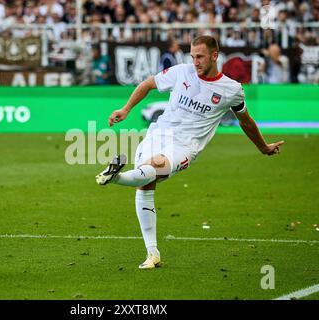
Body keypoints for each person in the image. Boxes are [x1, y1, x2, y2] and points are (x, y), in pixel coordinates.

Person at [95, 35, 284, 269]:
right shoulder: (181, 71)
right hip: (158, 134)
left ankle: (115, 177)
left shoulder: (231, 90)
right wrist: (126, 109)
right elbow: (147, 84)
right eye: (192, 56)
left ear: (215, 56)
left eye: (200, 56)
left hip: (185, 146)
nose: (195, 61)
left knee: (154, 168)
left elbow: (246, 121)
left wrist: (263, 147)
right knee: (145, 183)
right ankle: (152, 253)